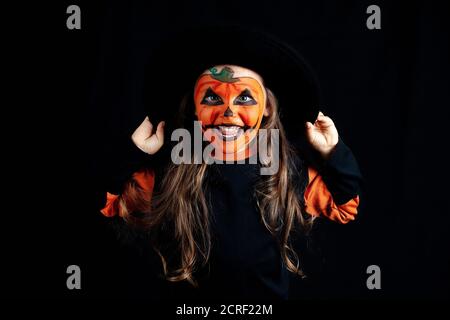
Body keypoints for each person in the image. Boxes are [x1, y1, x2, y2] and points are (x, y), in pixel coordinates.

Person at [99, 28, 362, 300]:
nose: (228, 112)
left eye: (244, 98)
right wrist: (133, 153)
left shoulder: (287, 172)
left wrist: (333, 151)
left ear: (268, 107)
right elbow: (107, 202)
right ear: (194, 107)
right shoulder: (170, 174)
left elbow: (345, 206)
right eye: (212, 97)